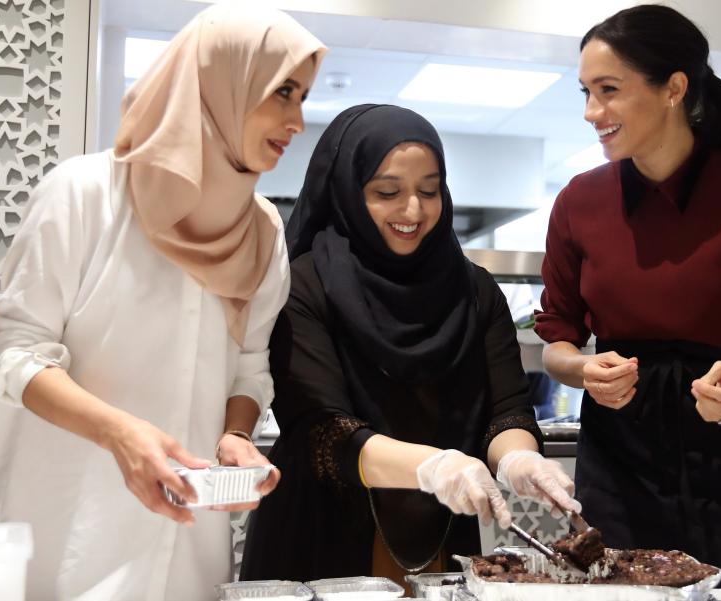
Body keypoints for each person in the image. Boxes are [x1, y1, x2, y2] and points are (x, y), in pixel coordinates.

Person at [0, 3, 324, 599]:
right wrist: (119, 435)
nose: (297, 120)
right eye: (282, 92)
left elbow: (249, 366)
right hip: (65, 524)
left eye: (303, 98)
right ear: (219, 83)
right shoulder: (84, 194)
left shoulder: (261, 229)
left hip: (184, 537)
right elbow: (17, 358)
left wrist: (235, 435)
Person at [534, 5, 721, 588]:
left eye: (608, 91)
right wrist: (580, 367)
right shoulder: (579, 201)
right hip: (618, 455)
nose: (590, 112)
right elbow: (557, 340)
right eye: (585, 92)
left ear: (674, 88)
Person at [240, 104, 579, 585]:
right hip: (321, 538)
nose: (413, 210)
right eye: (387, 192)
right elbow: (325, 433)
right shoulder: (305, 285)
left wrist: (519, 457)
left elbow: (508, 412)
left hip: (438, 535)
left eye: (429, 189)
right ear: (349, 193)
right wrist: (433, 467)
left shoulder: (475, 292)